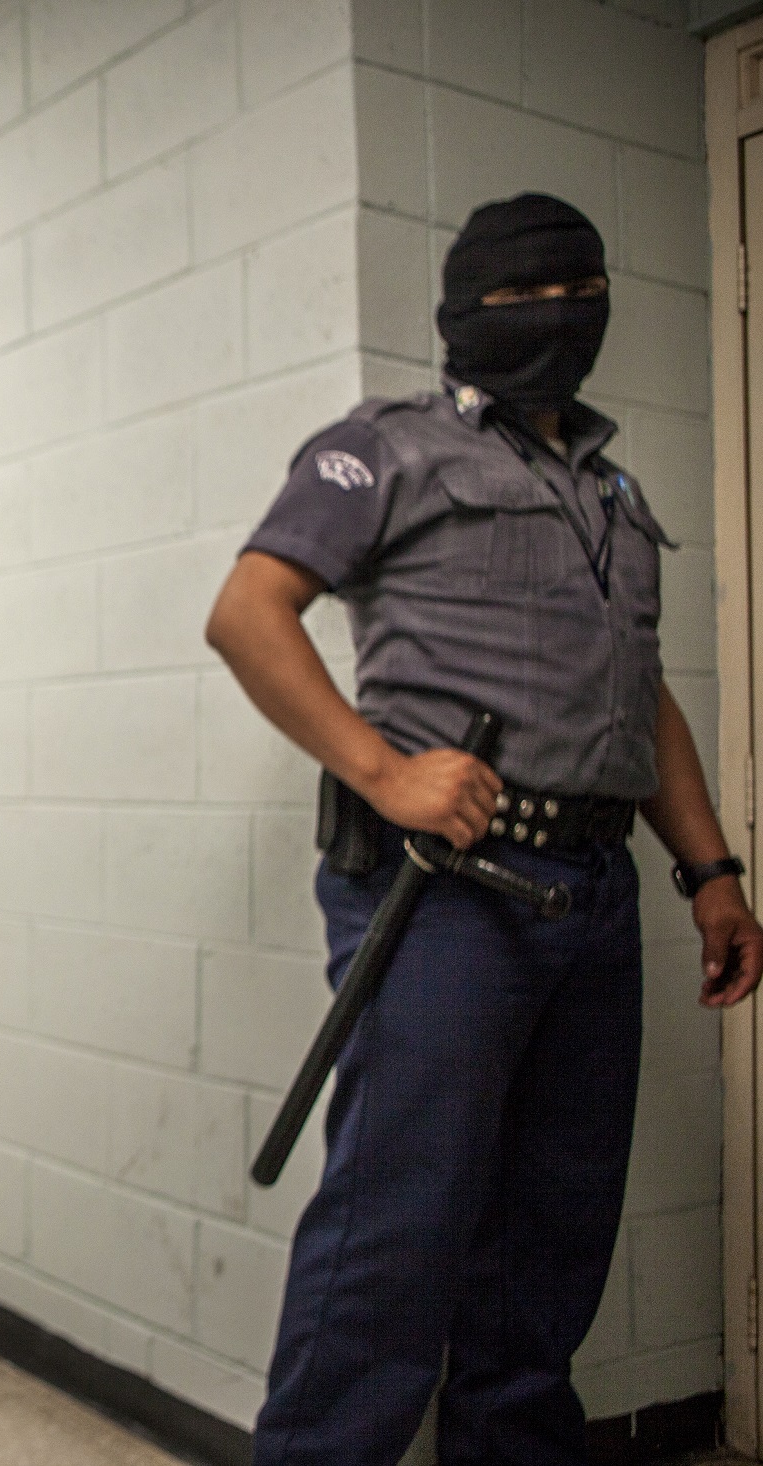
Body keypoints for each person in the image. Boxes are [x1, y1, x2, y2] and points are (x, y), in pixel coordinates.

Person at [205, 193, 763, 1466]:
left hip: (596, 890)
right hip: (443, 889)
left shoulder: (615, 493)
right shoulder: (383, 448)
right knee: (391, 1235)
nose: (543, 319)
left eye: (569, 292)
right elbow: (248, 612)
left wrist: (711, 872)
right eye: (509, 299)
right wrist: (382, 769)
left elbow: (642, 689)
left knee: (550, 1239)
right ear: (457, 314)